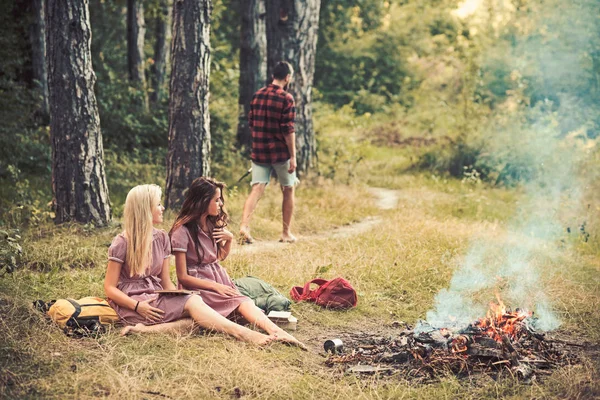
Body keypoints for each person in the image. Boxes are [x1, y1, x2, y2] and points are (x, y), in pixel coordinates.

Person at [104, 184, 278, 346]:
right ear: (145, 209)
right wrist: (137, 306)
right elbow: (109, 288)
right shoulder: (122, 242)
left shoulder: (162, 237)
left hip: (154, 296)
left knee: (200, 320)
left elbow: (165, 283)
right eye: (158, 204)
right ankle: (244, 334)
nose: (162, 208)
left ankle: (142, 331)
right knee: (197, 309)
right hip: (133, 302)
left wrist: (177, 299)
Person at [169, 177, 305, 349]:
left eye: (220, 200)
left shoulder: (213, 223)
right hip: (199, 286)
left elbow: (219, 257)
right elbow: (183, 276)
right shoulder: (182, 231)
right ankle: (274, 332)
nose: (220, 204)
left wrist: (229, 239)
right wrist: (215, 287)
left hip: (218, 278)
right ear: (203, 202)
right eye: (216, 200)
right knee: (242, 303)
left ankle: (276, 331)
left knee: (243, 303)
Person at [239, 61, 298, 244]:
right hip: (280, 153)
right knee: (288, 189)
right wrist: (293, 156)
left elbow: (251, 122)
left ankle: (244, 226)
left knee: (257, 188)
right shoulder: (286, 98)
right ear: (287, 77)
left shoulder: (257, 95)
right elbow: (288, 130)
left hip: (259, 151)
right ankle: (285, 233)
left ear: (273, 75)